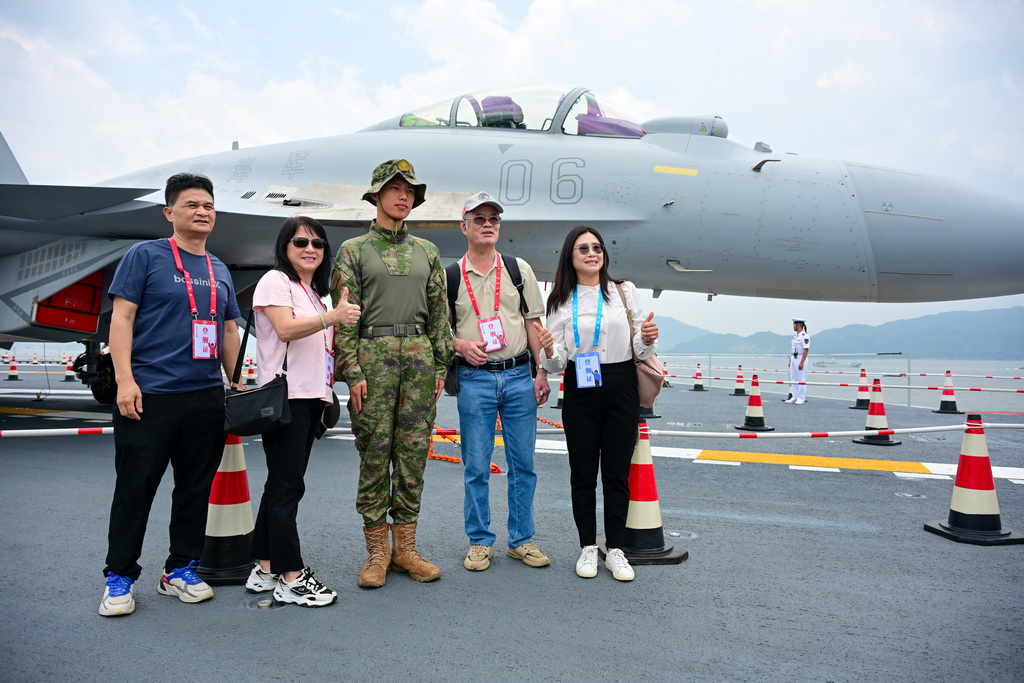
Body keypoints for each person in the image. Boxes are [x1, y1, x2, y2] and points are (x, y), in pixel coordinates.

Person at [99, 173, 243, 617]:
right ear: (170, 212)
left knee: (195, 489)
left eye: (209, 206)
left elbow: (229, 329)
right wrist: (125, 379)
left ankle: (180, 568)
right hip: (151, 395)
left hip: (204, 397)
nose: (203, 212)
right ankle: (119, 576)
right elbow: (121, 319)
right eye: (192, 205)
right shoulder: (146, 255)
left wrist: (233, 383)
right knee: (135, 489)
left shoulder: (219, 268)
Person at [331, 160, 454, 588]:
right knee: (373, 454)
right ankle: (377, 553)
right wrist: (351, 371)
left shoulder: (428, 251)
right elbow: (345, 318)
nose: (403, 196)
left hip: (419, 359)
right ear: (377, 195)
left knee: (413, 455)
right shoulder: (353, 250)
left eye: (409, 191)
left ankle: (406, 549)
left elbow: (440, 313)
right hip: (373, 359)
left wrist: (441, 365)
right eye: (394, 189)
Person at [244, 217, 361, 607]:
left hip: (310, 398)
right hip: (287, 399)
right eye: (300, 242)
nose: (310, 248)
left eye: (318, 243)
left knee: (281, 484)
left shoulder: (312, 292)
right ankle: (291, 577)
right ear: (285, 247)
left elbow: (318, 351)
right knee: (287, 487)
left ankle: (264, 568)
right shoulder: (276, 282)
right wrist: (333, 318)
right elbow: (285, 329)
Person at [535, 226, 659, 582]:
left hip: (621, 383)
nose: (592, 253)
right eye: (583, 248)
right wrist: (547, 350)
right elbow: (557, 363)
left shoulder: (624, 291)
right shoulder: (560, 300)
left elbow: (639, 348)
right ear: (570, 257)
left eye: (597, 247)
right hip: (580, 383)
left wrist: (648, 338)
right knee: (583, 473)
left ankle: (616, 549)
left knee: (618, 473)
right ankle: (588, 547)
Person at [449, 192, 550, 572]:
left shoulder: (517, 268)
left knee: (523, 464)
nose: (488, 224)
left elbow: (533, 323)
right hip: (475, 379)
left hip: (519, 377)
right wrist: (459, 344)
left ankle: (521, 539)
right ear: (464, 226)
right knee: (476, 465)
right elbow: (439, 331)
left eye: (494, 218)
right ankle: (479, 540)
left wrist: (541, 371)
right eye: (479, 218)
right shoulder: (451, 275)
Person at [786, 318, 810, 404]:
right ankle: (794, 396)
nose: (793, 326)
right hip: (794, 358)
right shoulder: (795, 336)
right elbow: (793, 350)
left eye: (794, 324)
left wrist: (802, 362)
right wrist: (790, 361)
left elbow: (806, 350)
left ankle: (801, 398)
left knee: (801, 378)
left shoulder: (804, 336)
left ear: (798, 325)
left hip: (800, 358)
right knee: (793, 378)